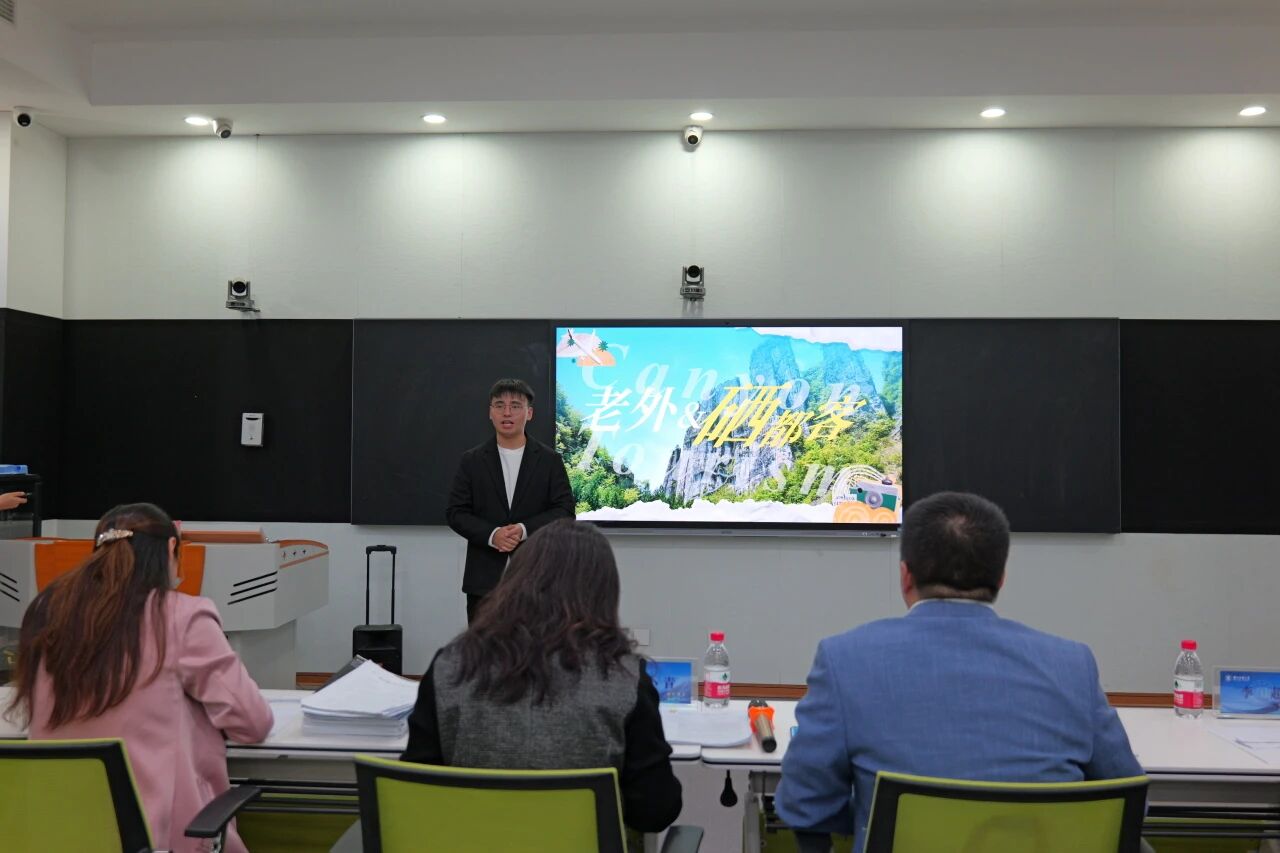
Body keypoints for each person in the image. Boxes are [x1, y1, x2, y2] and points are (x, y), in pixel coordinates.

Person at [775, 491, 1143, 851]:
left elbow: (804, 805)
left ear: (905, 577)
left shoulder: (845, 660)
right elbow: (1127, 804)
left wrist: (874, 817)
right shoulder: (1072, 665)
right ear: (1001, 578)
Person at [7, 503, 273, 853]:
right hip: (164, 839)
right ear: (171, 548)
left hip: (56, 837)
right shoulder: (183, 616)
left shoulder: (46, 611)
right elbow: (252, 722)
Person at [402, 519, 682, 836]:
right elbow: (655, 812)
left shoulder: (450, 667)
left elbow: (415, 789)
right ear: (602, 593)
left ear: (514, 582)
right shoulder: (625, 680)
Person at [445, 377, 575, 624]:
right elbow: (456, 512)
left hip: (538, 580)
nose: (507, 412)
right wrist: (492, 534)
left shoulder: (549, 461)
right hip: (483, 583)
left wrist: (524, 530)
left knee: (536, 646)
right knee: (483, 647)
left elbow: (565, 511)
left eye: (515, 406)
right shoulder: (472, 460)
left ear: (529, 413)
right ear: (490, 413)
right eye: (499, 405)